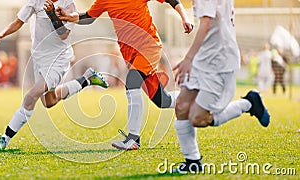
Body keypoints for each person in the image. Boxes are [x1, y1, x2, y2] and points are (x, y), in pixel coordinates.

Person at [58, 0, 193, 150]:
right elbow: (89, 17)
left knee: (132, 81)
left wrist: (185, 18)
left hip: (149, 46)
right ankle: (194, 98)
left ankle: (133, 139)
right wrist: (71, 17)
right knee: (163, 101)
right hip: (130, 54)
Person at [0, 0, 109, 150]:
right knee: (49, 101)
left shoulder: (68, 4)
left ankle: (4, 139)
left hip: (58, 59)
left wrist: (52, 14)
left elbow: (64, 35)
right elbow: (19, 22)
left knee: (31, 96)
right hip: (39, 58)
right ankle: (86, 79)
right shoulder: (36, 1)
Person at [172, 0, 271, 173]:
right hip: (203, 57)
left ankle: (248, 103)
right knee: (181, 106)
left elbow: (206, 24)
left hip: (219, 61)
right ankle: (192, 162)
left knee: (198, 118)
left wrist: (188, 58)